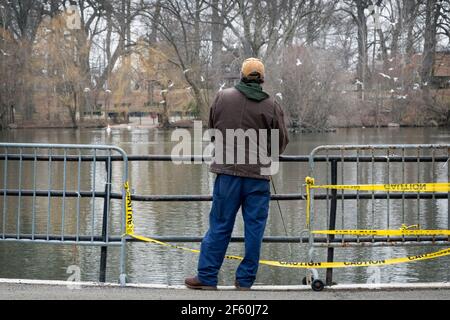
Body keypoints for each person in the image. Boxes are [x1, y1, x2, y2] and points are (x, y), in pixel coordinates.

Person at [185, 58, 289, 290]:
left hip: (227, 174)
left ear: (241, 75)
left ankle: (207, 277)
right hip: (258, 177)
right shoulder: (272, 105)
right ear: (262, 78)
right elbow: (280, 141)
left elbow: (212, 130)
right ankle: (244, 280)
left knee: (220, 225)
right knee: (254, 229)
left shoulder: (223, 97)